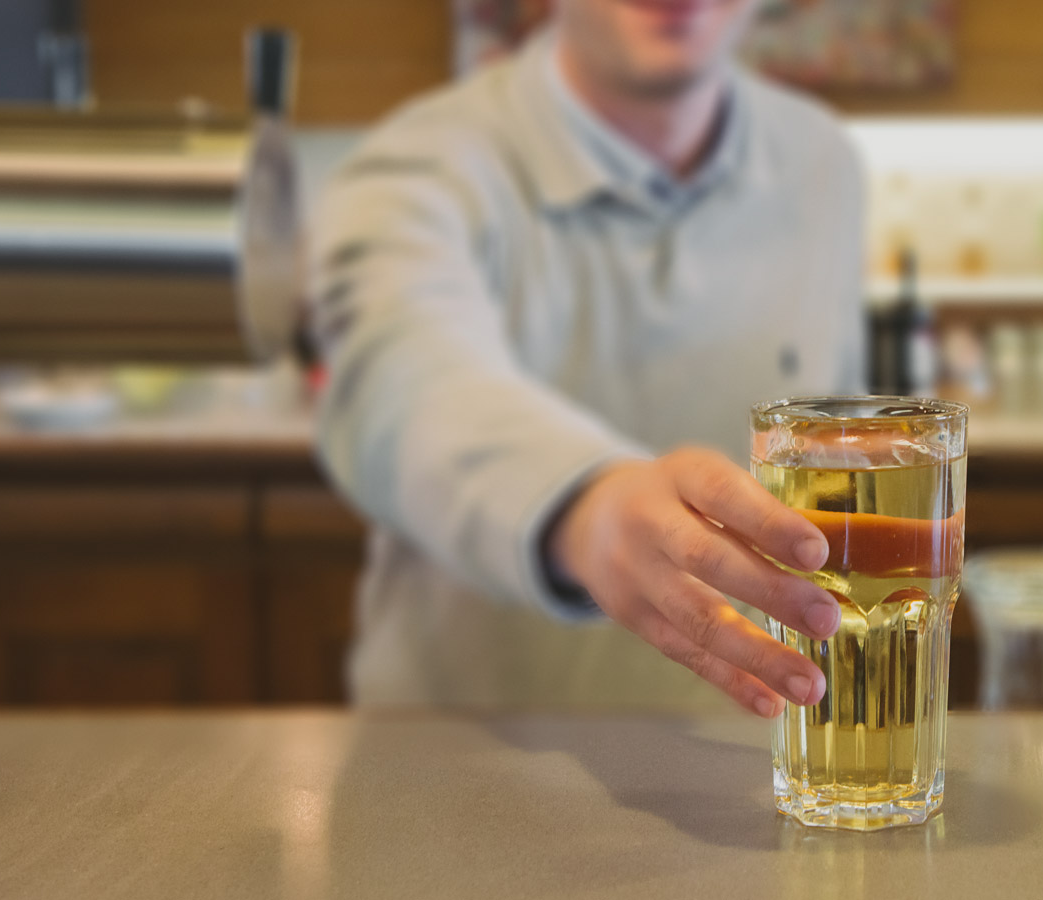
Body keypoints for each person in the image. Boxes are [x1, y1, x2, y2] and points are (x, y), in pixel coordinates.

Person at [311, 0, 865, 717]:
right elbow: (400, 382)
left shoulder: (822, 162)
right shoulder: (418, 167)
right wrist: (588, 508)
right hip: (455, 786)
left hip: (751, 780)